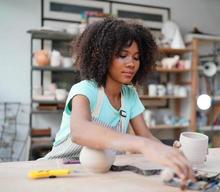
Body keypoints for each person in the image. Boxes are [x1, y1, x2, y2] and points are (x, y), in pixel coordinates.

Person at [42, 17, 194, 182]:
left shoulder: (130, 95)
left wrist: (168, 151)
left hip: (100, 176)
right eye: (123, 55)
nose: (131, 64)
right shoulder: (84, 90)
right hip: (59, 173)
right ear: (102, 56)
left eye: (136, 57)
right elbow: (80, 132)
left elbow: (146, 137)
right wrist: (142, 145)